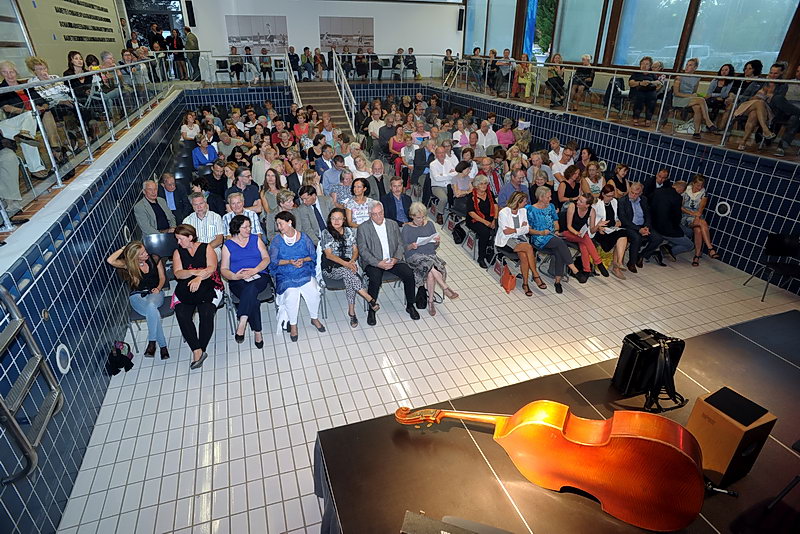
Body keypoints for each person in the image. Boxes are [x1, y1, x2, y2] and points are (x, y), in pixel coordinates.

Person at [356, 202, 419, 324]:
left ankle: (410, 305)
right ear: (369, 214)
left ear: (383, 211)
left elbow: (400, 244)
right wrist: (378, 263)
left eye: (380, 213)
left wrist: (395, 258)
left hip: (393, 260)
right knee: (375, 279)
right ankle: (372, 309)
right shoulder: (363, 228)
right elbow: (363, 251)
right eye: (375, 214)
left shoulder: (392, 224)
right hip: (374, 262)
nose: (378, 216)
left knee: (409, 274)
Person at [107, 241, 169, 359]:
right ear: (135, 257)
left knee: (151, 306)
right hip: (136, 296)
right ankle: (163, 346)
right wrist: (124, 249)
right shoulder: (129, 265)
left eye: (145, 250)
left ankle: (152, 342)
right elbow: (110, 260)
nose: (146, 254)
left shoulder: (155, 258)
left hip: (155, 293)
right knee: (153, 312)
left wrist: (158, 288)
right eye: (142, 253)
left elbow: (162, 277)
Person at [268, 211, 324, 341]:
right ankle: (293, 325)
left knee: (314, 292)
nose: (279, 227)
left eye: (281, 224)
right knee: (291, 296)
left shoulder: (304, 238)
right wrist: (289, 262)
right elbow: (274, 261)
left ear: (290, 222)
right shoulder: (277, 240)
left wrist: (302, 260)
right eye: (277, 224)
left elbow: (313, 256)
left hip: (303, 270)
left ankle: (314, 318)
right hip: (285, 273)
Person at [320, 208, 380, 328]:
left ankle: (352, 312)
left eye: (339, 218)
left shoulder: (349, 231)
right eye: (333, 218)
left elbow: (355, 250)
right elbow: (329, 255)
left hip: (348, 265)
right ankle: (368, 297)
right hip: (331, 268)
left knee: (349, 277)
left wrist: (352, 261)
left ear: (344, 219)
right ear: (330, 220)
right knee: (349, 273)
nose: (336, 221)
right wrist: (347, 264)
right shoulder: (326, 233)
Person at [172, 224, 218, 369]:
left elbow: (212, 268)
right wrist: (194, 272)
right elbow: (178, 273)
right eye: (177, 239)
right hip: (185, 289)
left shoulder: (206, 248)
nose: (178, 242)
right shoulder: (178, 252)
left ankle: (200, 349)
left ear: (190, 237)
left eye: (181, 239)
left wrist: (199, 278)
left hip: (206, 286)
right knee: (181, 314)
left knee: (206, 313)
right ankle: (196, 349)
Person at [527, 186, 588, 293]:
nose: (550, 199)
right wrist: (541, 232)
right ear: (540, 197)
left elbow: (556, 223)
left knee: (559, 251)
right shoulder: (530, 210)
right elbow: (528, 230)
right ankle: (574, 270)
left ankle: (557, 281)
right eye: (548, 197)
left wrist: (556, 230)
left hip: (552, 236)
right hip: (538, 237)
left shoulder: (551, 207)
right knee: (560, 243)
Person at [221, 214, 270, 347]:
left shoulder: (255, 239)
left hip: (259, 275)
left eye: (249, 227)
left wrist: (254, 270)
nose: (249, 230)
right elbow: (224, 269)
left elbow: (266, 258)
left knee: (251, 288)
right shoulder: (228, 245)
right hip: (238, 279)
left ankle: (242, 321)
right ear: (236, 228)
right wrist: (235, 276)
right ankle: (258, 332)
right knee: (252, 298)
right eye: (245, 227)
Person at [402, 202, 458, 316]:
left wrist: (437, 242)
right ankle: (444, 287)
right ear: (412, 216)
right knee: (430, 265)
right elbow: (403, 248)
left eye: (423, 217)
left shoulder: (430, 224)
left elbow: (434, 246)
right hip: (414, 256)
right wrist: (411, 246)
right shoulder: (407, 228)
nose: (421, 220)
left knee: (430, 273)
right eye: (418, 218)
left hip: (429, 256)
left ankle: (431, 301)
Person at [0, 61, 49, 178]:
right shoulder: (2, 89)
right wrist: (26, 111)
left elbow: (43, 101)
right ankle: (24, 136)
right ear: (1, 74)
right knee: (28, 124)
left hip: (33, 119)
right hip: (14, 121)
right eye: (5, 72)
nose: (9, 75)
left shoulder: (25, 85)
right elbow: (6, 107)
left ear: (16, 72)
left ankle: (35, 168)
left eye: (11, 71)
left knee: (27, 127)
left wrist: (42, 107)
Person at [495, 191, 545, 296]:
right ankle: (535, 274)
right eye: (524, 202)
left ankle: (525, 284)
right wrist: (520, 228)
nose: (526, 204)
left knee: (524, 256)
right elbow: (506, 232)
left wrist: (515, 230)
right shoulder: (504, 212)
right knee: (528, 248)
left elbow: (526, 229)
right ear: (517, 202)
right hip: (506, 240)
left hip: (520, 239)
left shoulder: (523, 211)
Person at [733, 62, 783, 151]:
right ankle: (765, 129)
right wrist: (753, 98)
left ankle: (743, 141)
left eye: (775, 73)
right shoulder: (760, 81)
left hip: (766, 110)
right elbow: (744, 96)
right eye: (771, 72)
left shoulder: (782, 85)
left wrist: (767, 97)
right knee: (759, 102)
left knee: (754, 114)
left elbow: (778, 102)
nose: (772, 75)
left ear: (781, 73)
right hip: (747, 106)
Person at [617, 182, 665, 272]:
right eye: (632, 192)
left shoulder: (643, 199)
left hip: (642, 225)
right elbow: (624, 219)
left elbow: (647, 215)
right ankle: (631, 262)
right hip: (630, 226)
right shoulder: (622, 201)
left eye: (636, 194)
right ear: (629, 190)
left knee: (658, 238)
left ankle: (642, 255)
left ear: (641, 193)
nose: (633, 195)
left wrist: (647, 226)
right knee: (637, 238)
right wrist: (639, 229)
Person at [674, 175, 720, 266]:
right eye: (698, 185)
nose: (700, 187)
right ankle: (710, 248)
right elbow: (680, 207)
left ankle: (697, 256)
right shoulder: (685, 191)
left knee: (698, 230)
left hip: (697, 217)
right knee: (703, 223)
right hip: (685, 216)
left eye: (702, 185)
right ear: (693, 183)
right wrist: (691, 213)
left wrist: (697, 218)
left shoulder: (704, 194)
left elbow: (700, 210)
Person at [563, 193, 612, 277]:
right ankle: (598, 262)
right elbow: (569, 226)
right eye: (579, 200)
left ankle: (587, 271)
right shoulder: (572, 206)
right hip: (567, 232)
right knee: (585, 239)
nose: (577, 202)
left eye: (581, 201)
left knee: (584, 246)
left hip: (580, 235)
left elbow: (592, 231)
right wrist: (576, 233)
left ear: (587, 205)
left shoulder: (591, 211)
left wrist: (598, 226)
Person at [671, 58, 720, 139]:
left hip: (690, 99)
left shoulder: (697, 78)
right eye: (687, 65)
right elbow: (676, 93)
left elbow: (693, 92)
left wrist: (693, 95)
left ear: (695, 68)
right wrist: (691, 96)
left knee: (697, 107)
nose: (687, 67)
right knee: (701, 100)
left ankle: (696, 132)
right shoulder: (679, 77)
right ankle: (708, 122)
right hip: (678, 99)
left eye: (690, 65)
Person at [649, 180, 696, 262]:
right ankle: (661, 253)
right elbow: (677, 217)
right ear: (681, 189)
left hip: (652, 223)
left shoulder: (658, 191)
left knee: (689, 232)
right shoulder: (677, 198)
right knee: (690, 245)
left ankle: (667, 247)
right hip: (665, 229)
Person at [589, 186, 628, 278]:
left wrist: (618, 221)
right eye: (608, 196)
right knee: (620, 236)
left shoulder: (614, 202)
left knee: (623, 234)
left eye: (612, 196)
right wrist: (599, 228)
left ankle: (618, 263)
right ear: (603, 194)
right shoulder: (596, 204)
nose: (611, 198)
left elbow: (615, 216)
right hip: (599, 231)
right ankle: (616, 265)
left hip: (611, 229)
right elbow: (591, 221)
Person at [467, 174, 497, 269]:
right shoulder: (471, 196)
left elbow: (495, 206)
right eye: (481, 184)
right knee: (485, 232)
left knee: (500, 228)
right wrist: (486, 222)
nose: (484, 186)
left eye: (485, 183)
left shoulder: (490, 193)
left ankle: (492, 251)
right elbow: (471, 213)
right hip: (475, 220)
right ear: (476, 185)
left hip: (490, 217)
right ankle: (481, 257)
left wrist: (495, 219)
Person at [772, 63, 800, 157]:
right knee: (777, 98)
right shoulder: (788, 82)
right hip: (784, 108)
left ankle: (781, 147)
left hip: (797, 108)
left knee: (795, 118)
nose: (798, 73)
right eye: (797, 71)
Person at [628, 56, 662, 127]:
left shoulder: (652, 74)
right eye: (643, 64)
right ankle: (636, 118)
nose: (644, 66)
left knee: (652, 99)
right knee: (639, 98)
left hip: (649, 92)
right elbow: (631, 83)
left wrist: (650, 82)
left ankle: (648, 119)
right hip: (638, 91)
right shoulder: (636, 73)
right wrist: (640, 83)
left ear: (650, 66)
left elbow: (659, 83)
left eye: (647, 64)